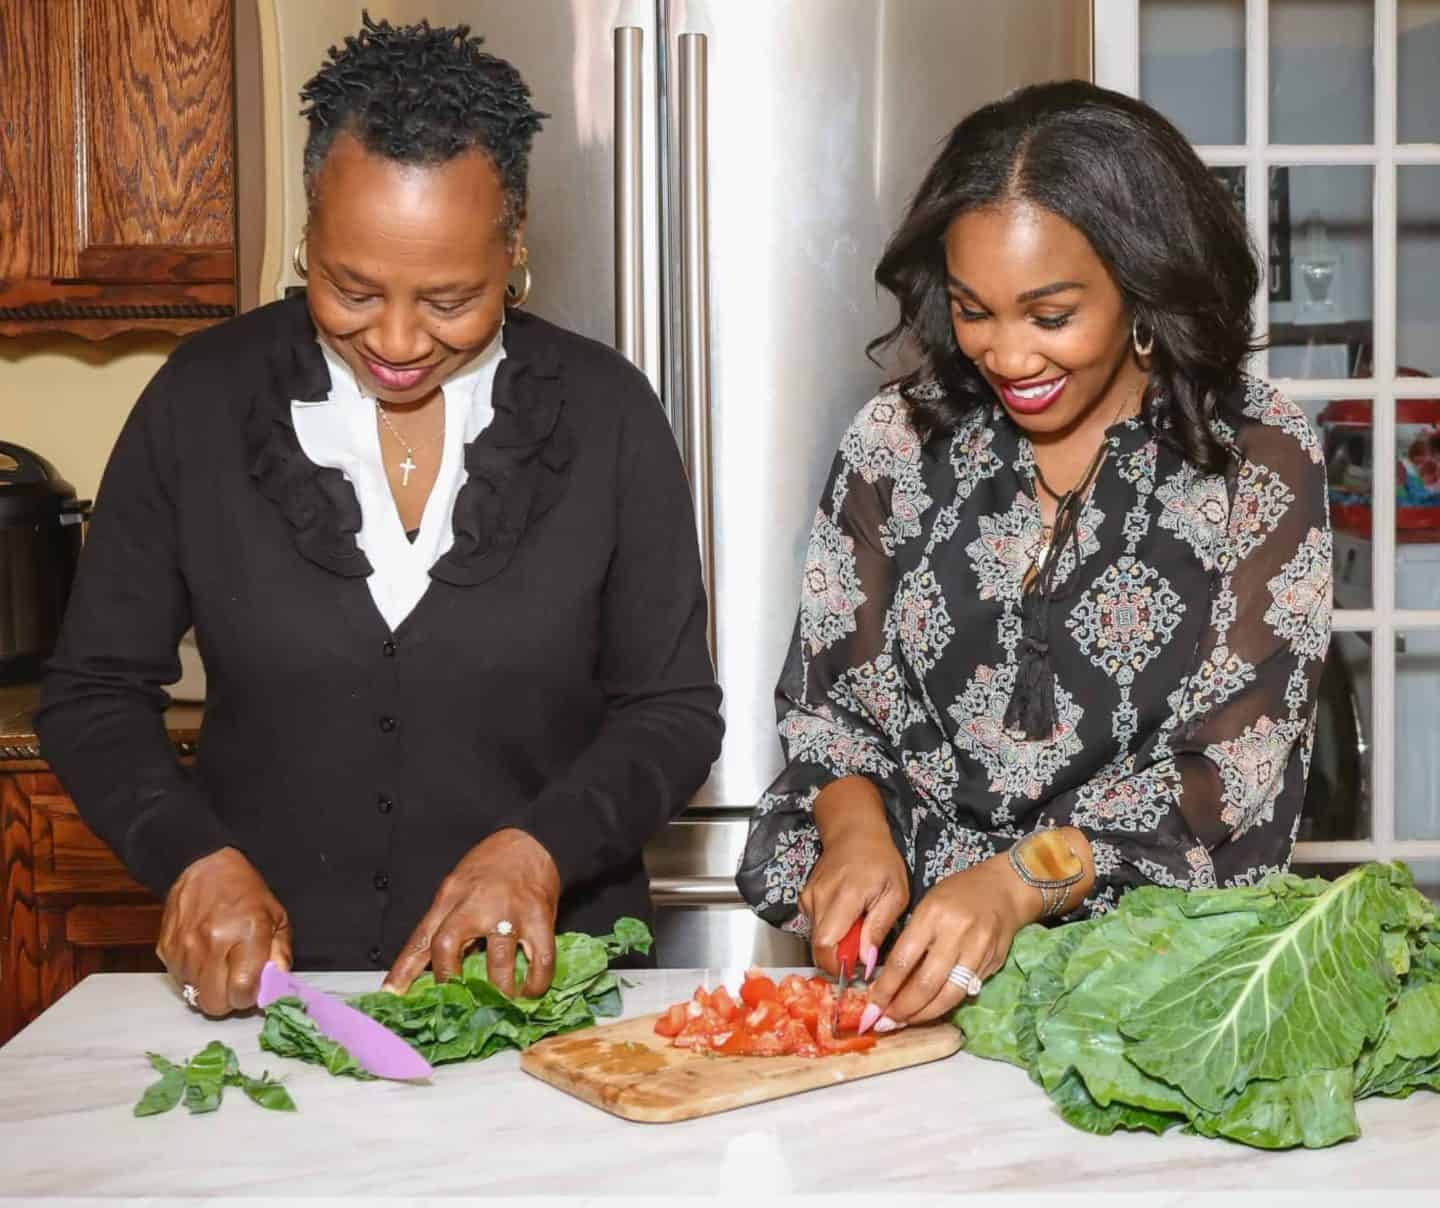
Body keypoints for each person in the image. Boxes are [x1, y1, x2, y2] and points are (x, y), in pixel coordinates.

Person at [37, 16, 722, 1017]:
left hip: (547, 1009)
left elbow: (672, 712)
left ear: (515, 244)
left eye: (451, 299)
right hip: (273, 1006)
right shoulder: (201, 401)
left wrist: (542, 848)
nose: (397, 341)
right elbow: (93, 694)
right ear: (308, 234)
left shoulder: (608, 411)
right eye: (351, 289)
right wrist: (190, 855)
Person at [737, 81, 1331, 1036]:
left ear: (1142, 284)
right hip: (909, 995)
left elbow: (1233, 765)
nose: (1006, 356)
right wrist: (853, 836)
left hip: (1150, 995)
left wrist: (1020, 881)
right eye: (974, 311)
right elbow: (831, 707)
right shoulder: (897, 441)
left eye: (1049, 315)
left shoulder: (1254, 455)